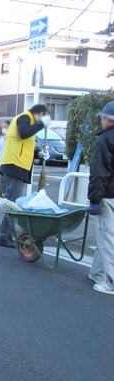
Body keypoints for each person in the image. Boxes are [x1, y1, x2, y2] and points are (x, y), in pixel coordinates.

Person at [0, 104, 51, 248]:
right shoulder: (25, 117)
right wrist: (41, 124)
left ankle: (6, 235)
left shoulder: (24, 119)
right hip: (15, 166)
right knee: (13, 205)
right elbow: (24, 133)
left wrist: (38, 153)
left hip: (12, 165)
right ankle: (4, 236)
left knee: (11, 203)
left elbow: (23, 143)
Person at [88, 101, 114, 295]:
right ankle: (97, 272)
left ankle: (111, 282)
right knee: (106, 237)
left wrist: (94, 199)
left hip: (107, 195)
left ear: (108, 119)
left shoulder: (106, 139)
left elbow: (99, 172)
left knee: (107, 238)